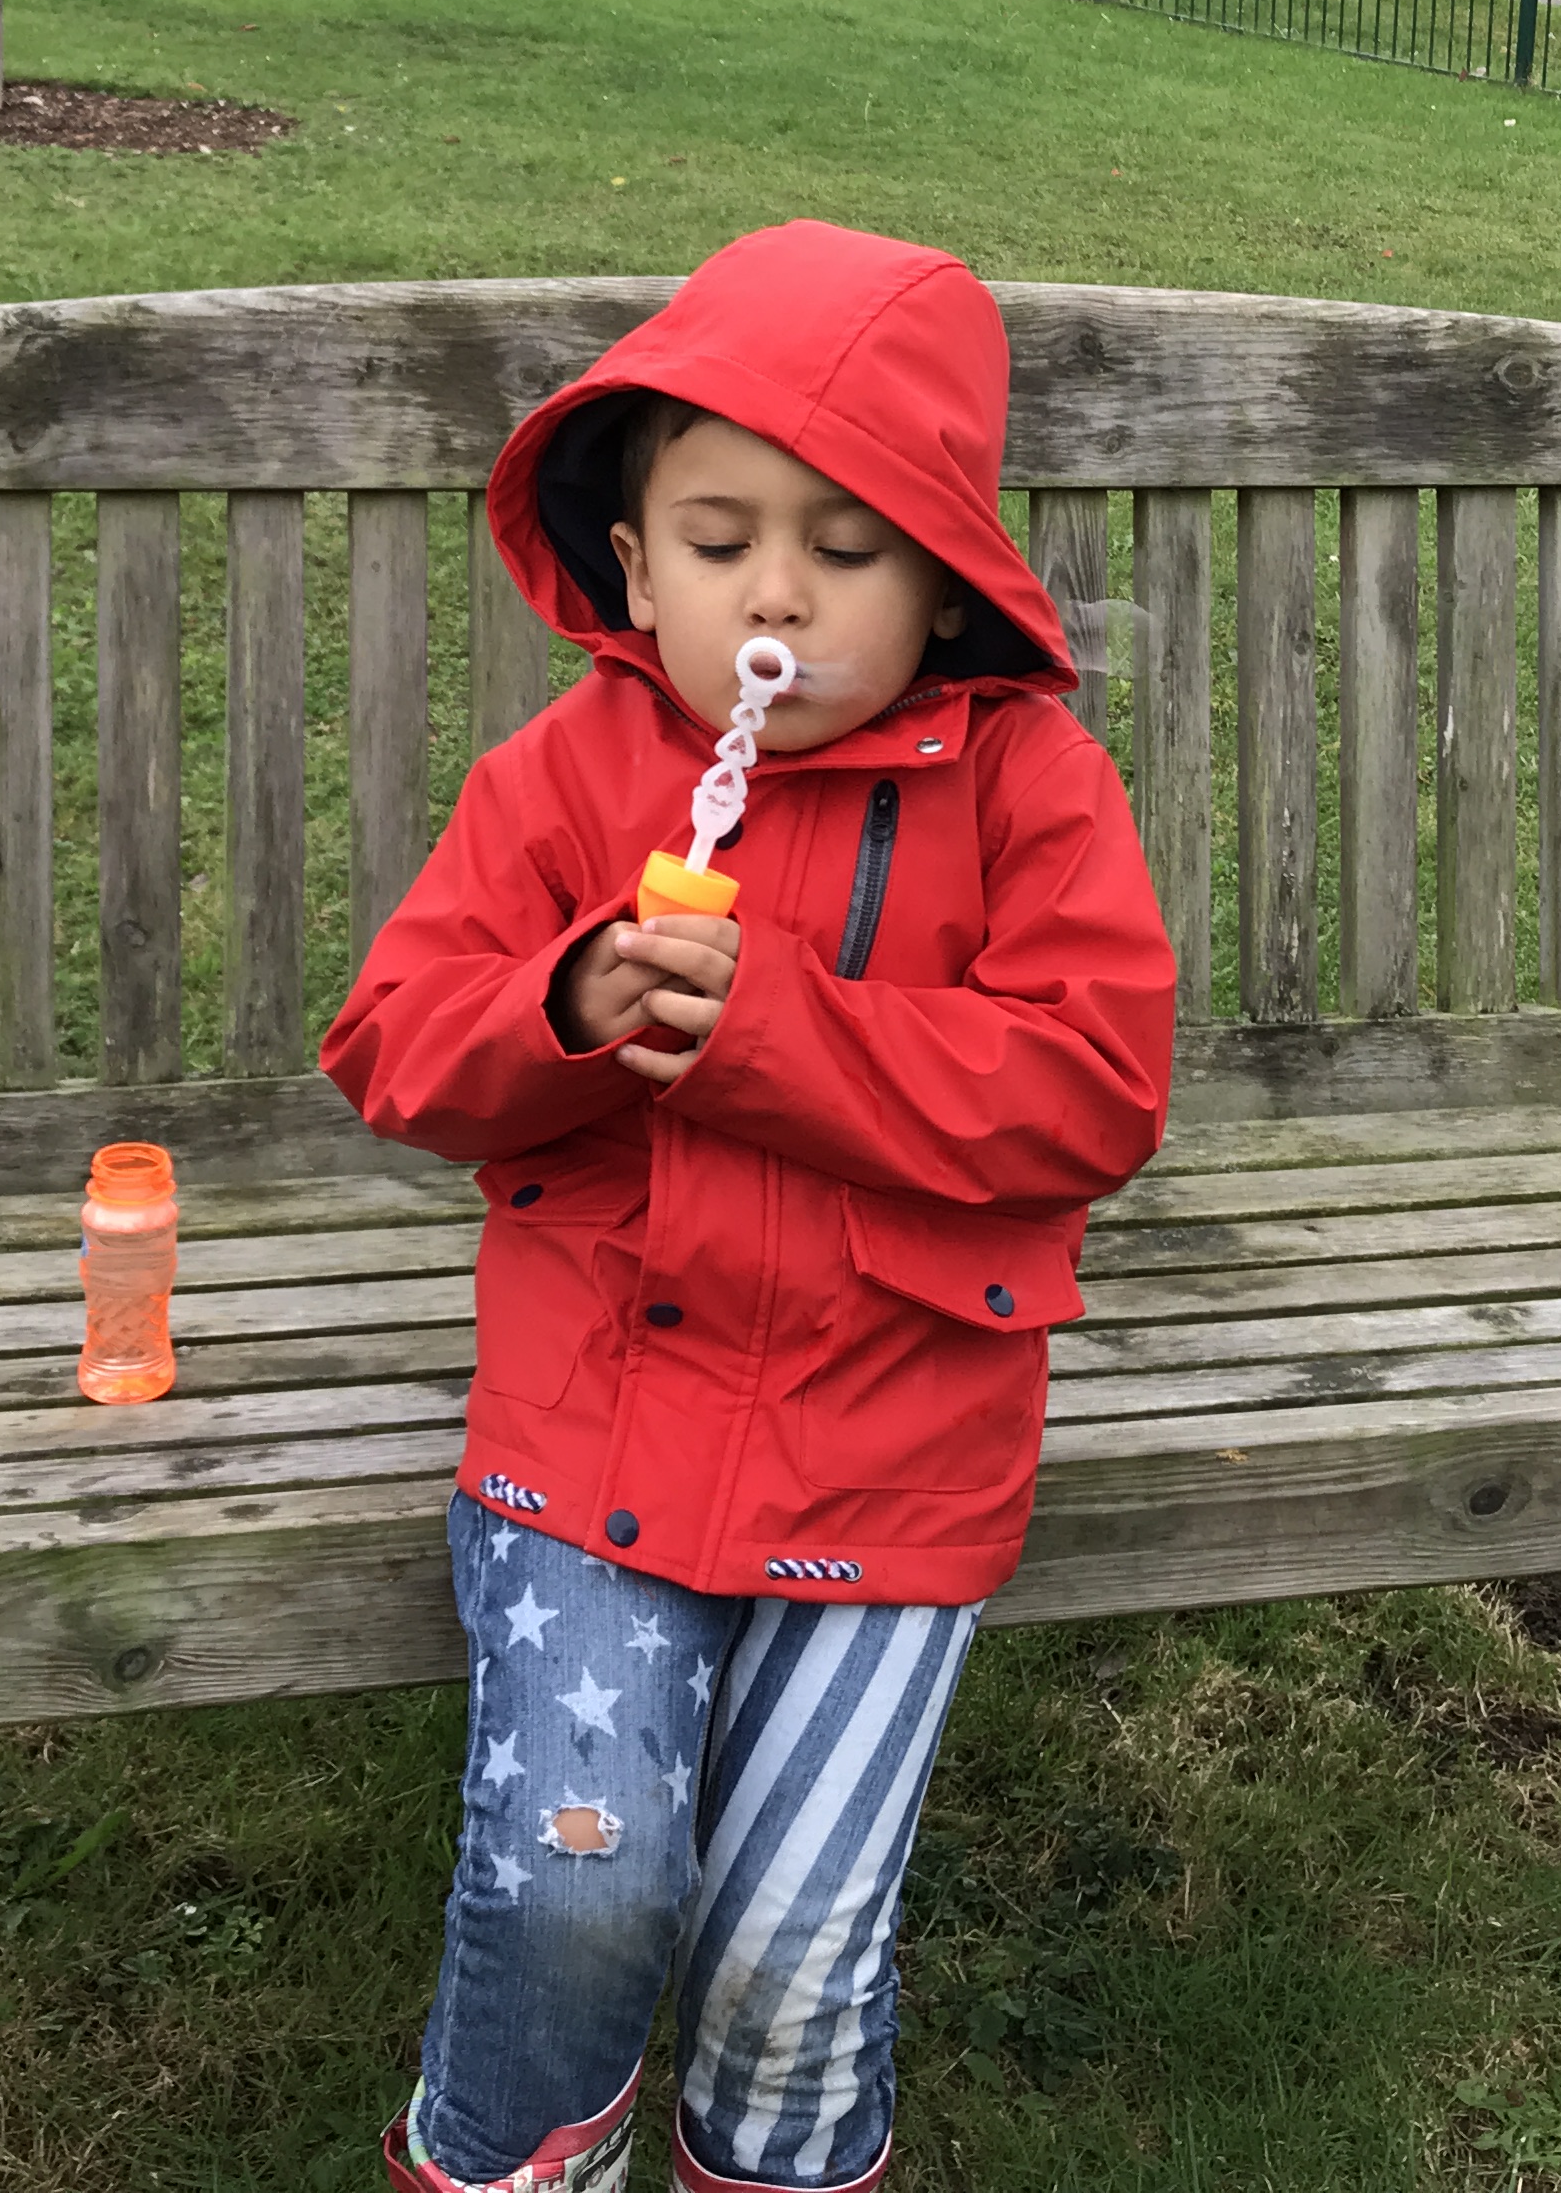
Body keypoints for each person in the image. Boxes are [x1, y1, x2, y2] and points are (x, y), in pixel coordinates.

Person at [320, 221, 1177, 2193]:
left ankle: (772, 2155)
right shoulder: (566, 777)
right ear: (636, 567)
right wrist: (563, 1008)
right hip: (594, 1430)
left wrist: (775, 1028)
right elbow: (391, 1045)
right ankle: (520, 2154)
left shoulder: (1026, 786)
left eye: (846, 548)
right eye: (721, 543)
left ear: (944, 578)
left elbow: (1094, 1088)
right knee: (576, 1881)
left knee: (794, 1955)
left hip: (892, 1445)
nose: (777, 592)